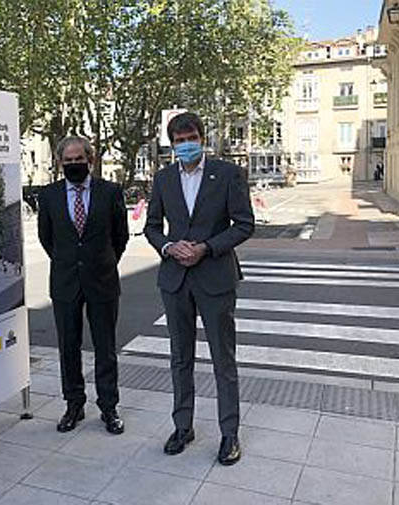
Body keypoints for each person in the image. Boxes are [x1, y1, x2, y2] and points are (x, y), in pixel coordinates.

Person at [144, 112, 254, 466]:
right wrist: (168, 247)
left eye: (189, 137)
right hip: (175, 279)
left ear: (201, 138)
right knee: (180, 358)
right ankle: (183, 426)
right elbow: (151, 226)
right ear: (171, 144)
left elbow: (244, 224)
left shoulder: (227, 174)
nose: (184, 145)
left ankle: (229, 434)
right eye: (177, 140)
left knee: (223, 359)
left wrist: (206, 247)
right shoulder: (162, 179)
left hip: (215, 276)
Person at [37, 135, 129, 434]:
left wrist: (102, 261)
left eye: (79, 159)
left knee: (105, 347)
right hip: (65, 281)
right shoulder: (48, 195)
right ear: (60, 162)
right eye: (68, 160)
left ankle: (109, 407)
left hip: (102, 279)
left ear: (91, 160)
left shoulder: (110, 192)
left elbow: (121, 237)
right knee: (68, 346)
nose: (74, 164)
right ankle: (73, 404)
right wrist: (68, 261)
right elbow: (46, 238)